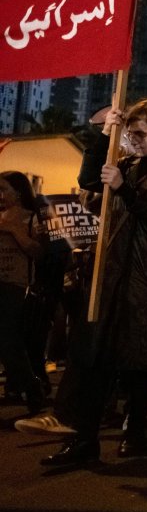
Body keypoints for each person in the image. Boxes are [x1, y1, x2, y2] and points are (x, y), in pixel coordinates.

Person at [41, 98, 147, 466]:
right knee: (94, 359)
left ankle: (134, 429)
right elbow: (87, 179)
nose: (133, 141)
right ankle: (82, 438)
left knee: (136, 363)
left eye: (140, 134)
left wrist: (125, 189)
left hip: (145, 281)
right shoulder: (124, 163)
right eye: (129, 134)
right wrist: (103, 135)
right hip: (108, 278)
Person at [0, 171, 47, 416]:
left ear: (17, 193)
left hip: (15, 287)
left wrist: (14, 230)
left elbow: (38, 252)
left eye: (3, 189)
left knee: (9, 343)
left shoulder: (31, 219)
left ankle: (31, 385)